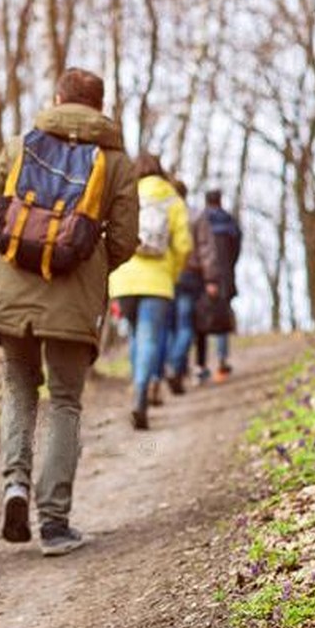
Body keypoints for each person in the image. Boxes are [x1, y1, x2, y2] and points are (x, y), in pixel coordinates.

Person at [0, 67, 138, 556]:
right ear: (100, 106)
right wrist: (86, 262)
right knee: (65, 402)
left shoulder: (19, 145)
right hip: (73, 301)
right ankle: (54, 523)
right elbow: (126, 240)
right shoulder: (116, 162)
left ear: (57, 98)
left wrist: (19, 252)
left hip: (11, 293)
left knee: (19, 389)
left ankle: (15, 486)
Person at [109, 153, 193, 431]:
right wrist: (173, 272)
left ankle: (138, 387)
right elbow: (183, 245)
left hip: (123, 278)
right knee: (150, 338)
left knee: (135, 335)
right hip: (157, 281)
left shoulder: (126, 193)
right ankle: (141, 395)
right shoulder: (172, 198)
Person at [163, 182, 221, 395]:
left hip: (166, 275)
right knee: (186, 325)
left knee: (170, 326)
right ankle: (175, 366)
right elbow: (207, 249)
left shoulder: (163, 212)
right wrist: (211, 279)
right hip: (190, 275)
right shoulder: (196, 215)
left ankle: (171, 366)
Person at [194, 189, 242, 384]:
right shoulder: (230, 222)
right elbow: (237, 248)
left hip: (202, 275)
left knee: (201, 321)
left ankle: (201, 366)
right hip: (224, 275)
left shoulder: (200, 219)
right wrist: (229, 266)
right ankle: (222, 360)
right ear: (220, 201)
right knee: (221, 317)